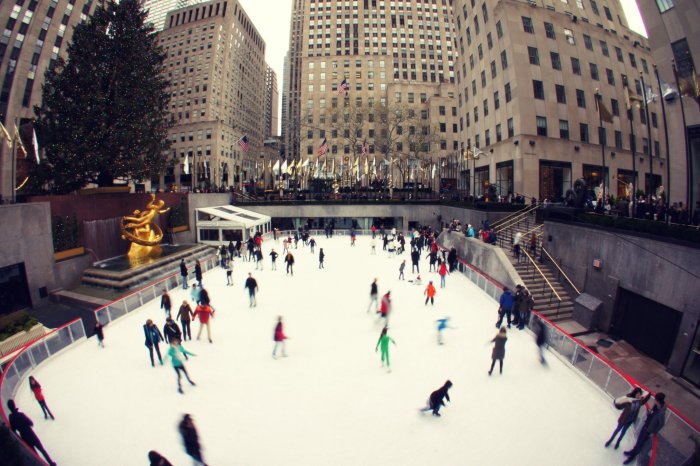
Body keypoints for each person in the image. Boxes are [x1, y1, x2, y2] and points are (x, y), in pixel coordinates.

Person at [7, 400, 56, 466]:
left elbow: (13, 430)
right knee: (42, 449)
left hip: (24, 437)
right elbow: (30, 423)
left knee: (35, 454)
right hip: (31, 434)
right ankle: (51, 463)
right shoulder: (21, 415)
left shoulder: (11, 418)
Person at [623, 393, 667, 464]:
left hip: (648, 431)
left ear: (658, 401)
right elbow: (652, 415)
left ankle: (632, 457)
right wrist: (649, 413)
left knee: (640, 444)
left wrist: (654, 432)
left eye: (655, 400)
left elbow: (661, 424)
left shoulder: (661, 413)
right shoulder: (655, 406)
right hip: (645, 426)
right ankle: (632, 452)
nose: (654, 401)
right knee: (638, 441)